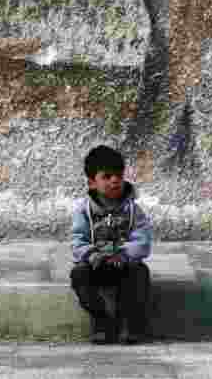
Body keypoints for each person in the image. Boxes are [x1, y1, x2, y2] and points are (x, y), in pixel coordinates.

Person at [70, 145, 154, 344]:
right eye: (106, 176)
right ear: (92, 182)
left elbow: (142, 241)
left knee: (140, 273)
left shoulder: (133, 210)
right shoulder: (84, 211)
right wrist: (91, 255)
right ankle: (101, 321)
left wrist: (125, 255)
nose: (115, 180)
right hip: (96, 264)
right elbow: (77, 240)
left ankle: (129, 323)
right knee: (79, 275)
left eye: (118, 175)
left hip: (123, 264)